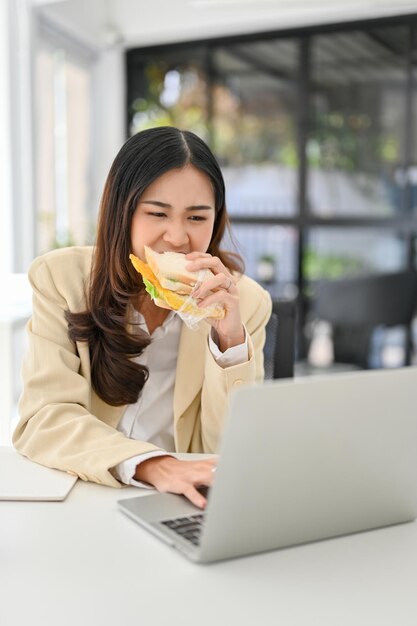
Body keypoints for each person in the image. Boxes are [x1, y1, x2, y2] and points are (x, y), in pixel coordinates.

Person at [13, 126, 272, 508]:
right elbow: (45, 420)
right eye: (157, 213)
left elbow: (228, 450)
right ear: (122, 211)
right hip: (91, 490)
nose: (178, 237)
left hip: (186, 501)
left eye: (197, 218)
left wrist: (229, 339)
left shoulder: (245, 301)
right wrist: (152, 464)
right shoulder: (62, 279)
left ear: (215, 221)